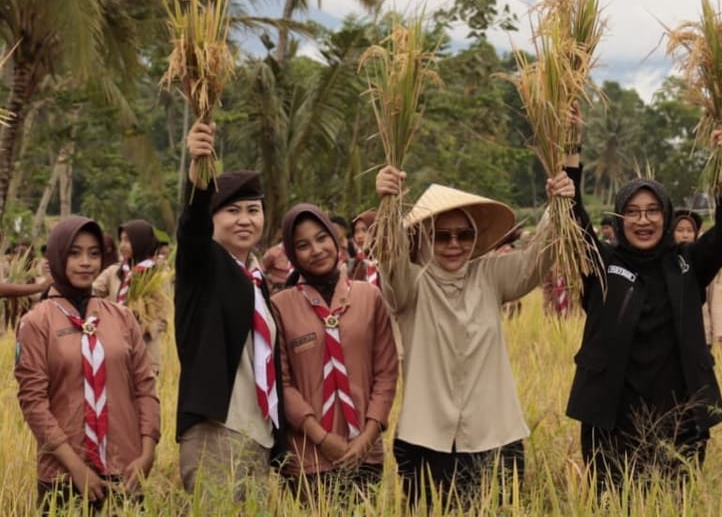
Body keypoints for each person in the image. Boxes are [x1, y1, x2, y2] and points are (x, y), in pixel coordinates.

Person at [375, 165, 575, 508]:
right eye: (442, 236)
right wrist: (389, 206)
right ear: (424, 237)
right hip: (427, 442)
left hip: (495, 437)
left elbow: (537, 259)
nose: (454, 244)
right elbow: (391, 263)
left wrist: (558, 205)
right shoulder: (411, 286)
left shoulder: (490, 276)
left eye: (464, 235)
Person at [566, 120, 722, 494]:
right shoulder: (602, 264)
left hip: (679, 422)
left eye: (652, 211)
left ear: (666, 216)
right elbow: (572, 218)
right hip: (611, 422)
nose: (643, 220)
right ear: (620, 219)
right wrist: (570, 149)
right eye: (632, 212)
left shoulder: (687, 263)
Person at [15, 217, 159, 513]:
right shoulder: (36, 322)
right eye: (74, 253)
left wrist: (147, 453)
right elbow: (33, 403)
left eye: (94, 254)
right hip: (63, 477)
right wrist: (76, 468)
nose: (86, 263)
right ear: (57, 256)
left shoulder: (121, 317)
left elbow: (145, 387)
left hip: (125, 471)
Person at [174, 120, 285, 502]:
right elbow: (191, 230)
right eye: (232, 211)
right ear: (213, 219)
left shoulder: (257, 280)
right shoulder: (203, 266)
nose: (244, 219)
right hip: (215, 433)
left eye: (253, 210)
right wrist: (198, 177)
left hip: (259, 437)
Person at [272, 204, 399, 504]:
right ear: (292, 253)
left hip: (364, 454)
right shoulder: (280, 305)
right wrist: (321, 438)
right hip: (308, 458)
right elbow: (282, 383)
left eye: (322, 238)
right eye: (303, 245)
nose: (316, 250)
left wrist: (367, 437)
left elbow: (386, 373)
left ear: (335, 239)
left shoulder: (369, 297)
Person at [93, 219, 170, 376]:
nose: (122, 245)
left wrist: (140, 327)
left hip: (146, 354)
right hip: (115, 349)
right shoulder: (114, 272)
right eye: (121, 240)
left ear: (141, 242)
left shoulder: (157, 276)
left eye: (127, 240)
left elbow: (162, 318)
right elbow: (91, 292)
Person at [672, 209, 722, 347]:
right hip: (671, 336)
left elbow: (714, 299)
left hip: (702, 334)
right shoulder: (665, 261)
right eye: (680, 230)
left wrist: (719, 333)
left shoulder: (704, 263)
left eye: (690, 231)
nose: (685, 235)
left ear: (696, 234)